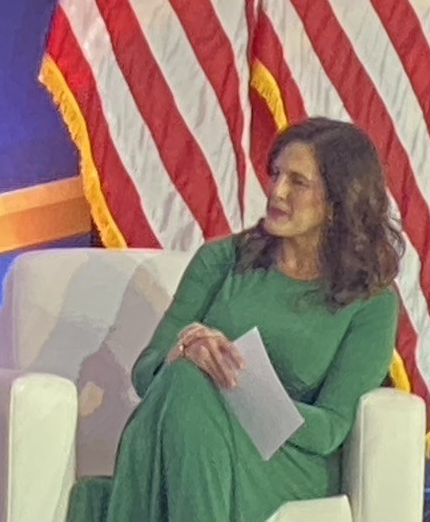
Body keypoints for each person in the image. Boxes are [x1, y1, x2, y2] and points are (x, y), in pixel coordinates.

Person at [76, 117, 402, 522]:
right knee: (186, 379)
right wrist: (185, 351)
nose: (277, 192)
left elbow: (331, 428)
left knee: (192, 391)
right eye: (276, 174)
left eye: (298, 182)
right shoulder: (221, 260)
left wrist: (235, 382)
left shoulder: (371, 301)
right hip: (185, 431)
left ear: (338, 204)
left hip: (284, 461)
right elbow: (147, 373)